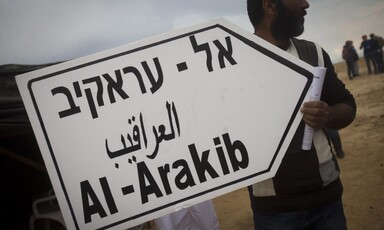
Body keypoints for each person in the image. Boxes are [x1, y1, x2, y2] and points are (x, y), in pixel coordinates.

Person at [247, 0, 356, 229]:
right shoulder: (236, 63)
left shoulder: (313, 52)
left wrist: (327, 115)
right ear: (269, 6)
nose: (306, 4)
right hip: (273, 212)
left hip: (328, 202)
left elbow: (346, 105)